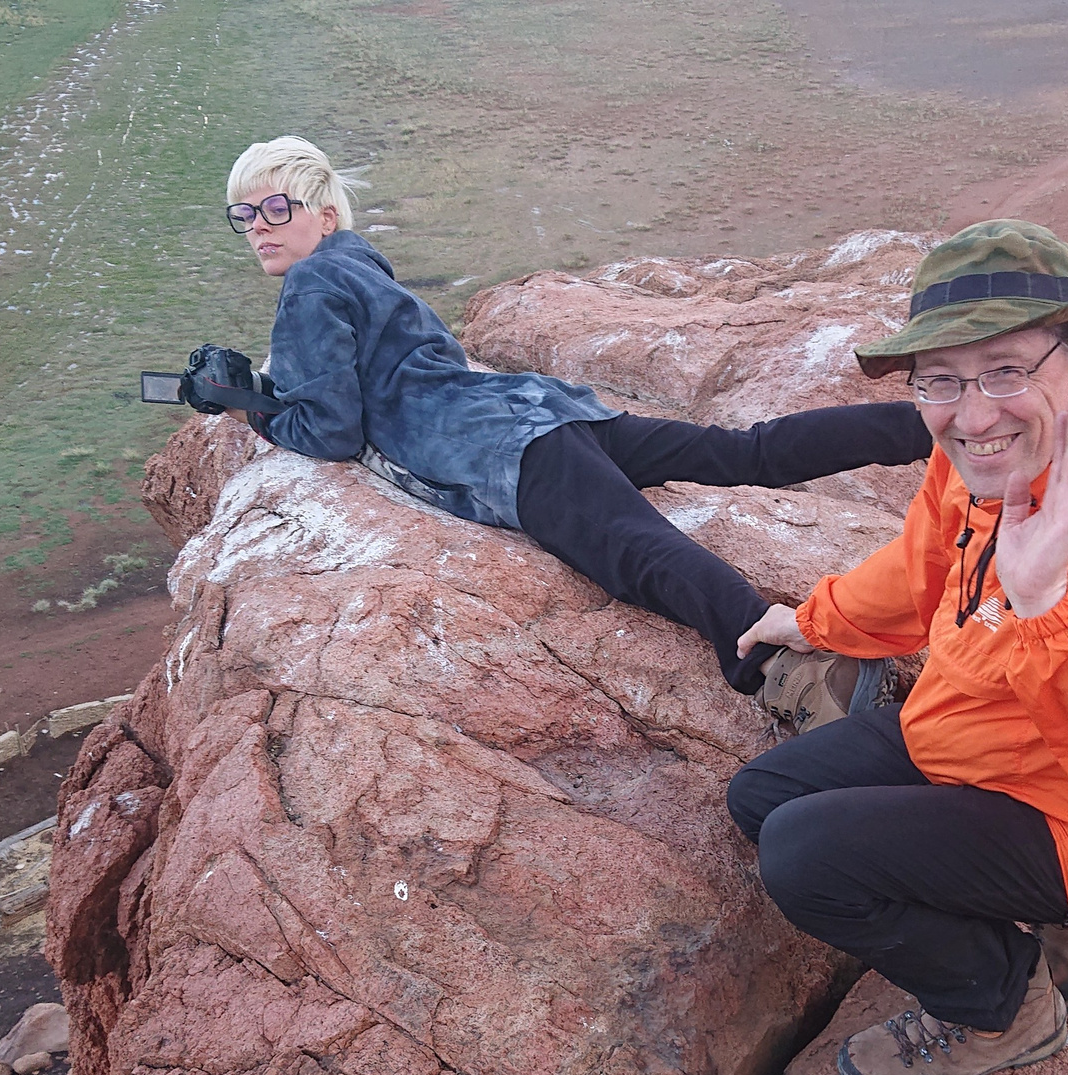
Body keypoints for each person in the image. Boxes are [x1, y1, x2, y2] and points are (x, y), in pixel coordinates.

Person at [726, 219, 1068, 1075]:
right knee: (761, 800)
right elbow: (920, 569)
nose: (972, 414)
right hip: (982, 732)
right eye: (939, 380)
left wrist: (1050, 604)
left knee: (803, 858)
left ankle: (1005, 1003)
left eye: (1007, 370)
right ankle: (999, 901)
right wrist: (814, 618)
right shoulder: (982, 454)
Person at [220, 136, 932, 722]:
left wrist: (251, 409)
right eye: (243, 213)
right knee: (744, 450)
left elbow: (334, 431)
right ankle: (926, 421)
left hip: (506, 454)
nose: (258, 225)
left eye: (275, 208)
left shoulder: (309, 285)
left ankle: (790, 671)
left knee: (644, 555)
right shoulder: (357, 263)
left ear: (323, 215)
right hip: (548, 412)